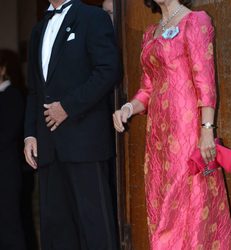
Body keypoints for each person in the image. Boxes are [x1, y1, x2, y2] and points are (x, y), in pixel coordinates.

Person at [113, 0, 231, 249]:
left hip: (186, 130)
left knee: (187, 203)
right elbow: (146, 90)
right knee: (159, 202)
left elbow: (206, 82)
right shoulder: (149, 33)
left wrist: (207, 131)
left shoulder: (195, 21)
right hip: (158, 136)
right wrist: (128, 107)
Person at [24, 0, 121, 249]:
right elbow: (34, 90)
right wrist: (30, 135)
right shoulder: (38, 29)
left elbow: (108, 70)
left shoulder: (92, 18)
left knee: (95, 230)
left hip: (85, 144)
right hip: (48, 147)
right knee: (56, 231)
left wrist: (67, 106)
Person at [0, 49, 26, 250]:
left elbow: (8, 133)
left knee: (10, 225)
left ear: (3, 70)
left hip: (7, 170)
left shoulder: (13, 96)